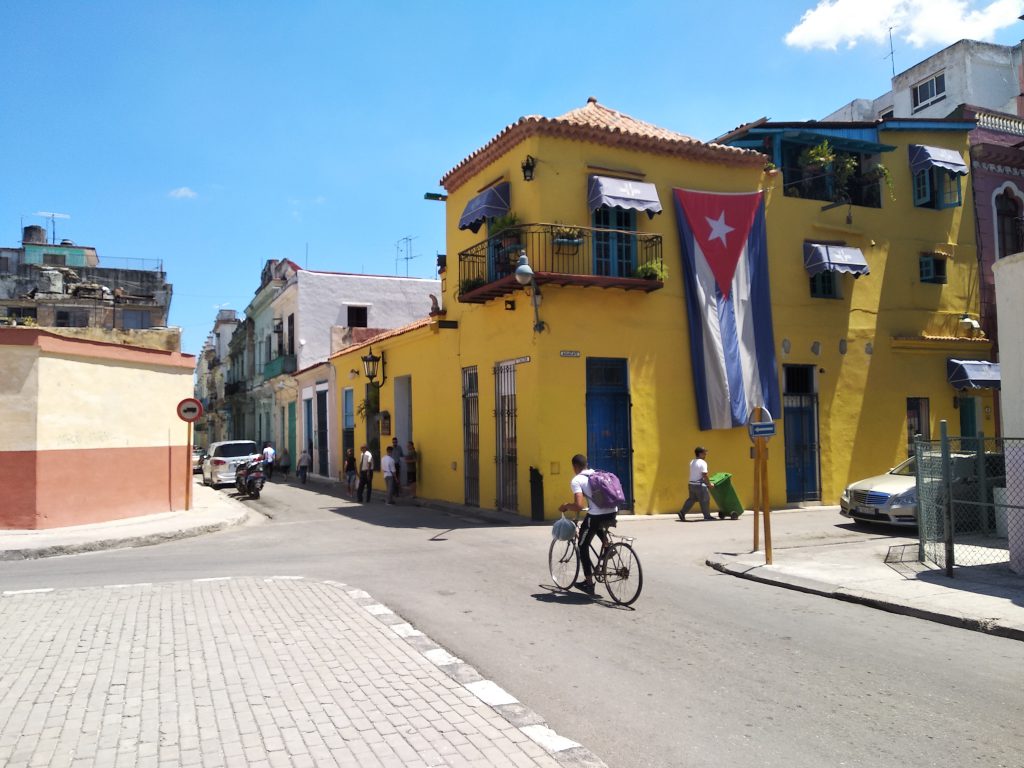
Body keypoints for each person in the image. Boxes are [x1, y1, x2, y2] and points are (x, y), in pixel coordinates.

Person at [558, 454, 617, 594]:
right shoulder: (597, 473)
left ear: (575, 467)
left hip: (597, 515)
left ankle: (589, 583)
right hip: (613, 512)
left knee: (582, 545)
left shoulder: (577, 480)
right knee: (593, 523)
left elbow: (579, 505)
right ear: (586, 464)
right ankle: (608, 546)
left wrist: (566, 506)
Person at [679, 446, 715, 521]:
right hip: (699, 485)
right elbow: (704, 475)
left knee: (692, 499)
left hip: (691, 484)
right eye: (704, 453)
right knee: (705, 500)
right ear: (700, 454)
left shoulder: (692, 462)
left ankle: (682, 512)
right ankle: (707, 516)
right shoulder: (703, 463)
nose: (706, 455)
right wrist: (709, 484)